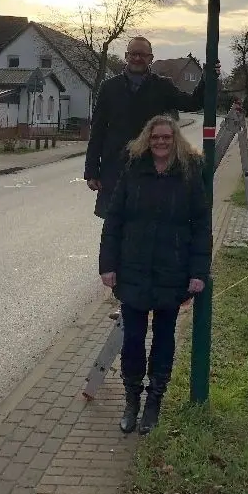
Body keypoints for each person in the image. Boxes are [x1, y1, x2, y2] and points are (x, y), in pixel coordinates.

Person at [98, 114, 211, 435]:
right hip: (132, 269)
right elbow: (114, 219)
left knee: (164, 338)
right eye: (155, 137)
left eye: (166, 137)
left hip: (171, 271)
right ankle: (131, 400)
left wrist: (197, 271)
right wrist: (108, 265)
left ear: (175, 139)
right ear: (147, 140)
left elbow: (201, 225)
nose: (160, 142)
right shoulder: (134, 170)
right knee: (133, 340)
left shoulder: (189, 173)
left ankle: (153, 404)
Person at [84, 36, 217, 218]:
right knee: (114, 227)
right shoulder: (109, 88)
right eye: (133, 54)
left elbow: (193, 103)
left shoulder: (162, 86)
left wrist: (207, 78)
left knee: (146, 224)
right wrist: (91, 171)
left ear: (151, 58)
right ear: (126, 56)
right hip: (115, 167)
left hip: (152, 168)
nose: (137, 58)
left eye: (143, 55)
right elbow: (97, 130)